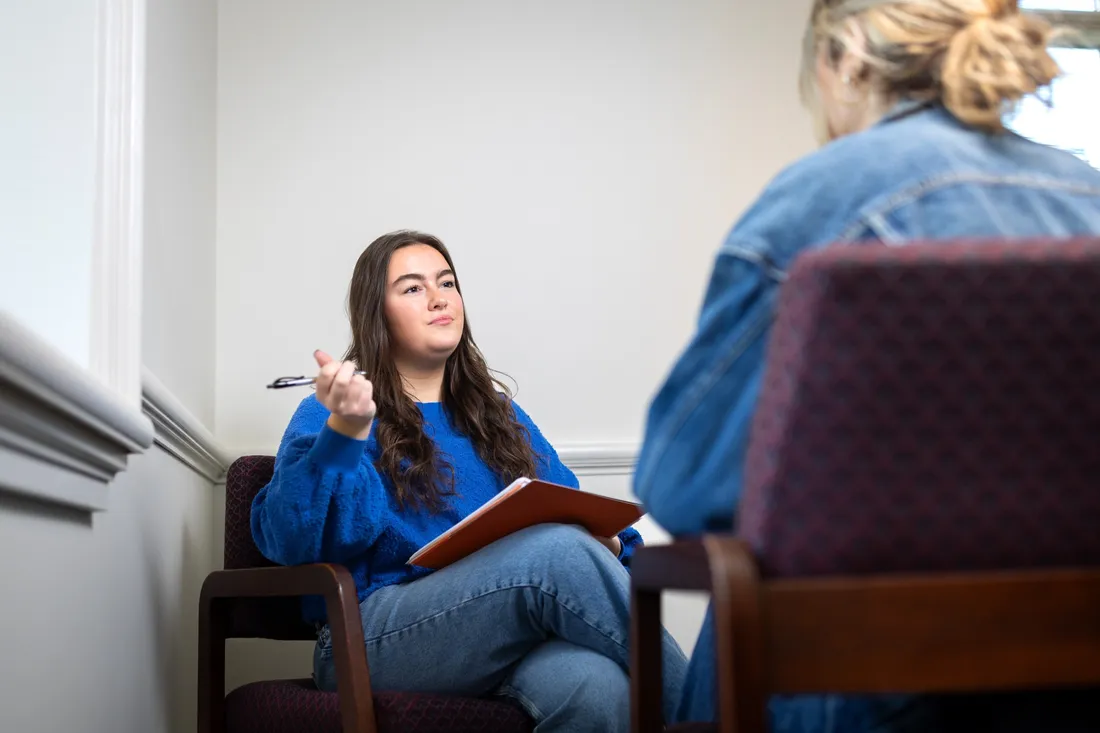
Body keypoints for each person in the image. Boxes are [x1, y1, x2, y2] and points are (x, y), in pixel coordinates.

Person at [633, 0, 1100, 730]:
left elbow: (680, 482)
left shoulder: (824, 194)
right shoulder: (1087, 195)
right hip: (1068, 667)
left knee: (745, 597)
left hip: (867, 684)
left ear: (846, 55)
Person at [251, 229, 687, 732]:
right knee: (556, 552)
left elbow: (578, 517)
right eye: (413, 288)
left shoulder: (499, 417)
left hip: (494, 638)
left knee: (596, 686)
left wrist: (608, 543)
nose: (439, 298)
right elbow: (291, 537)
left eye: (447, 283)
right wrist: (346, 431)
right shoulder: (332, 412)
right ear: (378, 313)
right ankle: (712, 719)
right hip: (366, 640)